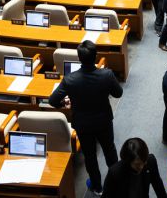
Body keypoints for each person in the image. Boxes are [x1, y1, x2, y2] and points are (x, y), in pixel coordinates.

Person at [49, 41, 123, 196]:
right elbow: (118, 93)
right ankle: (117, 183)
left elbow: (53, 100)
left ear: (79, 58)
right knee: (110, 150)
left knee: (90, 156)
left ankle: (97, 186)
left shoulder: (70, 79)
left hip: (83, 124)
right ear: (96, 56)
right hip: (103, 121)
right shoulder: (107, 75)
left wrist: (64, 103)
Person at [102, 137, 167, 198]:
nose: (141, 167)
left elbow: (158, 186)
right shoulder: (115, 173)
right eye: (137, 164)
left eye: (144, 162)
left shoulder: (150, 161)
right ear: (128, 161)